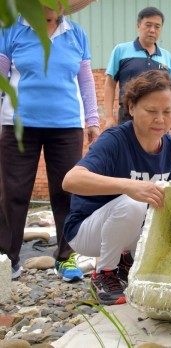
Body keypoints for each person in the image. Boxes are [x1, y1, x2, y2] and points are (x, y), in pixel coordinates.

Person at [62, 70, 171, 305]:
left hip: (128, 230)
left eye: (167, 112)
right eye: (151, 111)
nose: (160, 119)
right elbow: (70, 180)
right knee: (135, 202)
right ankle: (104, 274)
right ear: (132, 107)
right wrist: (128, 186)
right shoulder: (114, 140)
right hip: (86, 231)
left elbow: (170, 198)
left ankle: (127, 262)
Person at [0, 4, 100, 281]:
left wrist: (92, 120)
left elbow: (85, 80)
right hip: (18, 124)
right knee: (13, 193)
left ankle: (66, 258)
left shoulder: (76, 33)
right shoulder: (11, 30)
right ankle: (8, 259)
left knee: (67, 191)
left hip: (66, 126)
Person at [104, 6, 171, 136]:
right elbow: (110, 85)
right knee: (127, 154)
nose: (152, 30)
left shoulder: (167, 57)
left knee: (156, 154)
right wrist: (109, 117)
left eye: (157, 26)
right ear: (138, 26)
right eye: (148, 25)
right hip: (129, 117)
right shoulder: (121, 51)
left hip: (159, 119)